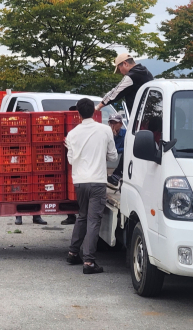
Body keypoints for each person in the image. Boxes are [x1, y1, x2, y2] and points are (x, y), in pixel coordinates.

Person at [65, 98, 117, 274]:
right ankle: (88, 262)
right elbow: (112, 156)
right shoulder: (104, 130)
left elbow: (71, 160)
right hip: (97, 181)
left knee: (82, 216)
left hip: (80, 181)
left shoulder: (72, 134)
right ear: (94, 112)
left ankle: (73, 252)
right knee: (94, 220)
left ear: (78, 114)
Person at [106, 114, 126, 188]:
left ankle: (116, 175)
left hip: (119, 157)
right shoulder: (106, 133)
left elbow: (127, 148)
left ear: (121, 124)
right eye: (111, 123)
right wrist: (111, 136)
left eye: (115, 123)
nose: (113, 125)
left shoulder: (125, 133)